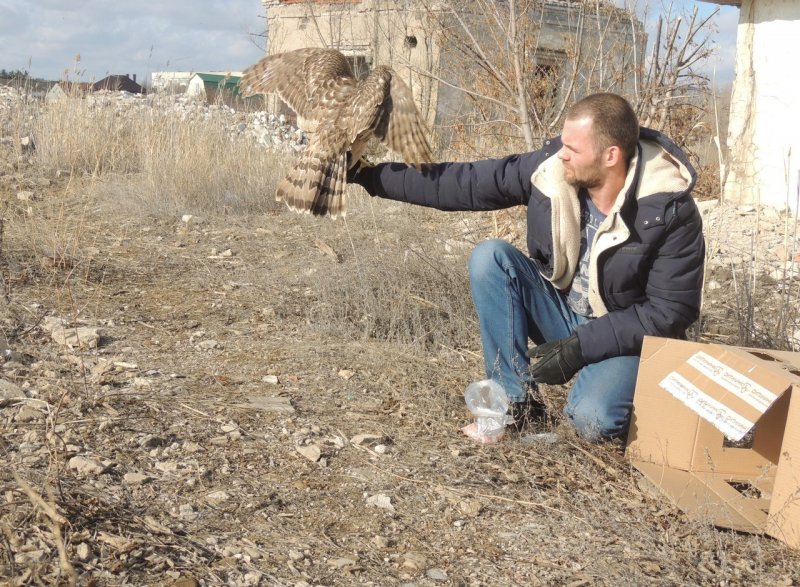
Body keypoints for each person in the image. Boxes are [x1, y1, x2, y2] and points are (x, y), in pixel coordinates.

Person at [347, 93, 705, 441]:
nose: (561, 154)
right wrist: (369, 176)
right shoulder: (553, 171)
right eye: (563, 144)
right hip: (564, 313)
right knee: (491, 258)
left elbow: (669, 312)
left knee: (592, 420)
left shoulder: (668, 210)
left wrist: (580, 348)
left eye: (573, 149)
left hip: (623, 338)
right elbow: (466, 183)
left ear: (610, 155)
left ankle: (628, 390)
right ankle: (517, 407)